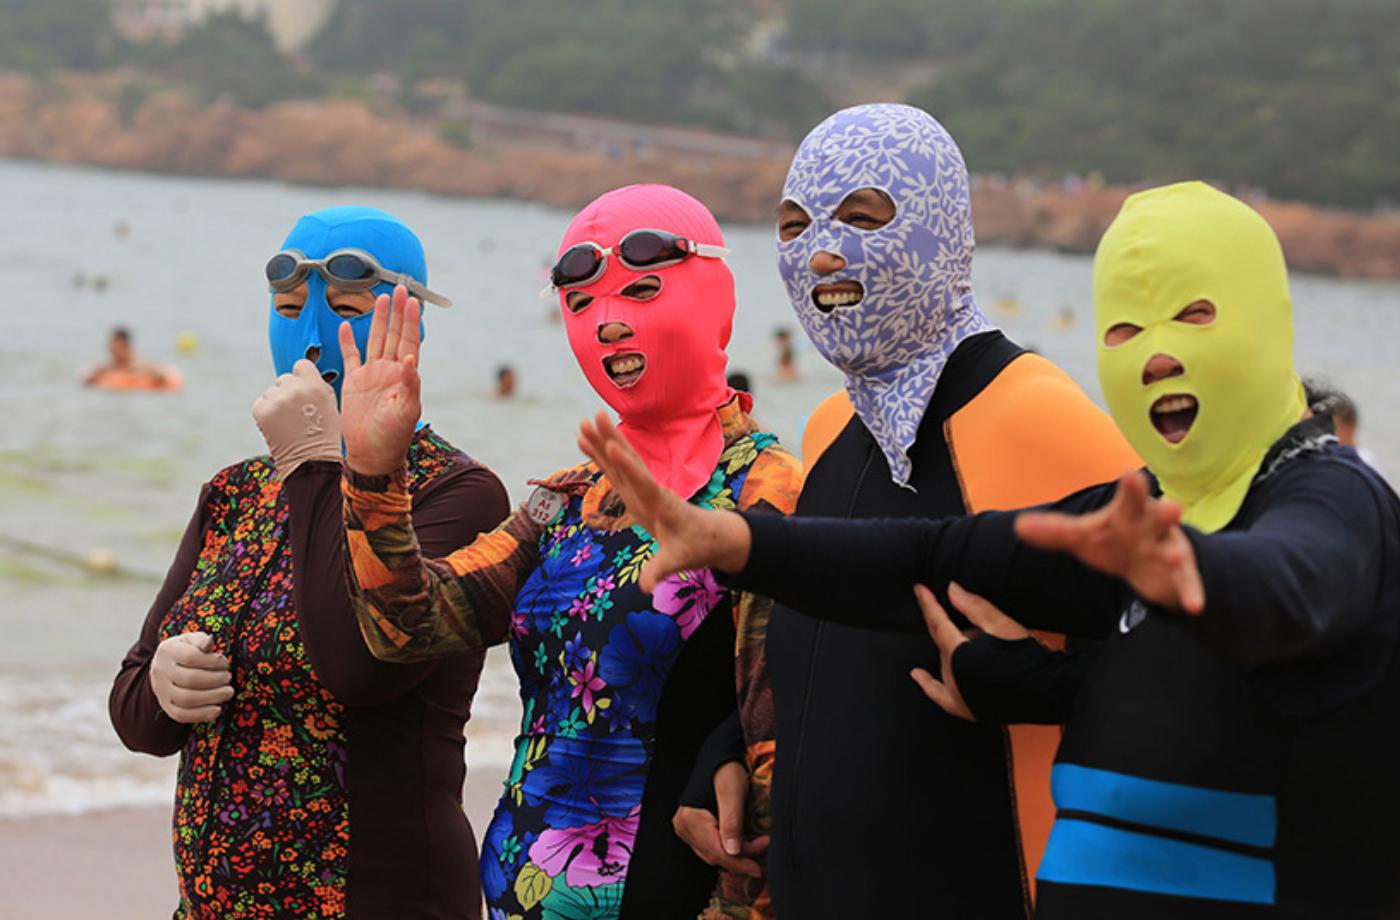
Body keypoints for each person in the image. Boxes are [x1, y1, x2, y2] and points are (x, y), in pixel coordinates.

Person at [582, 182, 1400, 918]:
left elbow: (1293, 583)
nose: (1156, 355)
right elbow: (934, 555)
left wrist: (1188, 577)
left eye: (1195, 316)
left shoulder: (1332, 496)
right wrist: (732, 540)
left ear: (1269, 321)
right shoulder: (1143, 503)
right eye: (1124, 328)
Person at [672, 104, 1139, 919]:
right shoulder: (829, 429)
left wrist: (1042, 686)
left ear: (941, 229)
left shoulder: (1041, 417)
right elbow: (824, 663)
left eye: (861, 218)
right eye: (794, 226)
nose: (821, 253)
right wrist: (727, 755)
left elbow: (1194, 669)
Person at [322, 186, 802, 919]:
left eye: (641, 291)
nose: (608, 322)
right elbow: (406, 625)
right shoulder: (567, 500)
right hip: (521, 886)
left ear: (717, 300)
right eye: (580, 304)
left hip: (677, 893)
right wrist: (374, 473)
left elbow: (782, 731)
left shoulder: (769, 492)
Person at [109, 206, 510, 919]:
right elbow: (136, 719)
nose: (314, 334)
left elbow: (359, 668)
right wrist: (163, 685)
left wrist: (315, 463)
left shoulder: (457, 492)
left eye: (348, 309)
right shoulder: (236, 491)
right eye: (290, 308)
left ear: (409, 327)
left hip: (378, 896)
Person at [84, 326, 176, 390]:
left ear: (127, 348)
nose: (114, 353)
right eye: (113, 349)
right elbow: (85, 382)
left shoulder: (143, 367)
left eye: (118, 349)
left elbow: (169, 380)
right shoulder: (104, 369)